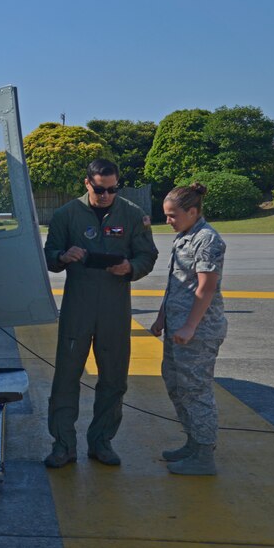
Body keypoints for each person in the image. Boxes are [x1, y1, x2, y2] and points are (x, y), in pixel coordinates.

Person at [43, 159, 158, 468]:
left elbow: (148, 254)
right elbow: (49, 256)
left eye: (112, 189)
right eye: (99, 189)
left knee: (114, 378)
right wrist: (63, 256)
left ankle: (101, 442)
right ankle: (63, 445)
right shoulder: (65, 215)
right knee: (66, 376)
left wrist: (130, 268)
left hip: (114, 309)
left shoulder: (132, 215)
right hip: (77, 307)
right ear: (87, 184)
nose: (106, 195)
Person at [149, 183, 226, 475]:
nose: (168, 220)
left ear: (192, 211)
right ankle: (194, 442)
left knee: (196, 390)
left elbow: (206, 288)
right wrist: (161, 318)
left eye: (172, 215)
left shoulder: (206, 239)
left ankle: (204, 455)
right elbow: (178, 285)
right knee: (175, 384)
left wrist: (191, 326)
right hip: (179, 328)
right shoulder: (185, 236)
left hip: (198, 331)